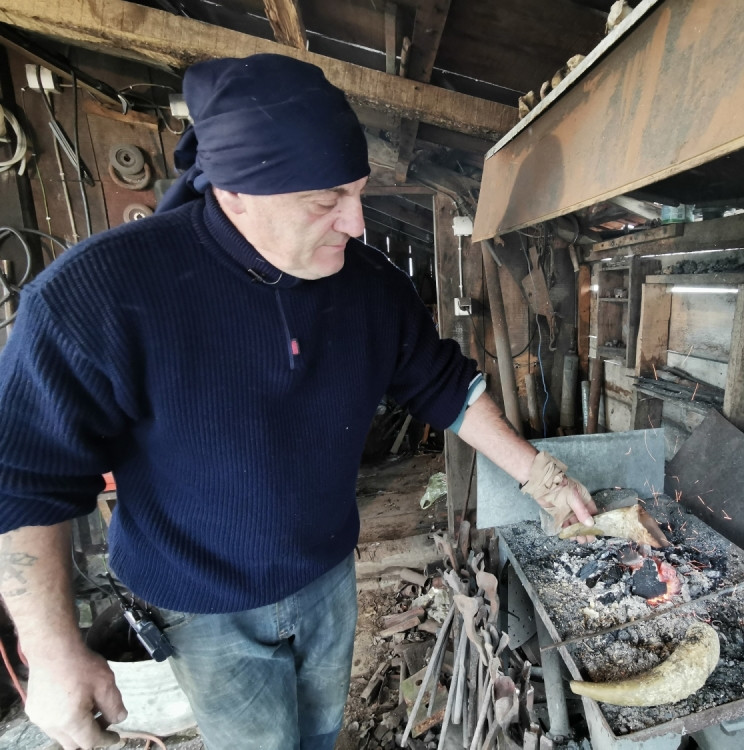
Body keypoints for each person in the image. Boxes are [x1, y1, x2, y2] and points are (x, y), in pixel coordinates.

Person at [0, 54, 596, 750]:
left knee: (319, 733)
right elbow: (24, 479)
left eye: (357, 193)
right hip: (203, 604)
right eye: (325, 201)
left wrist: (539, 475)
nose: (358, 223)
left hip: (326, 577)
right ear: (235, 191)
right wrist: (51, 654)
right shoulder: (98, 294)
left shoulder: (368, 286)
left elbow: (443, 386)